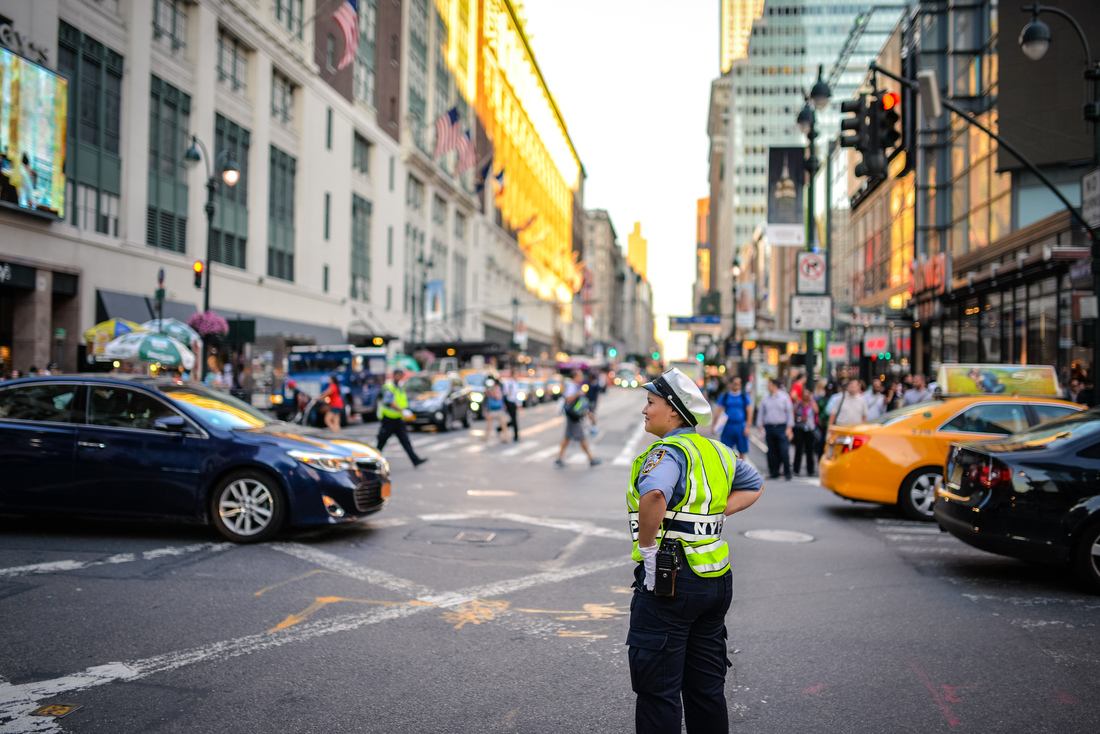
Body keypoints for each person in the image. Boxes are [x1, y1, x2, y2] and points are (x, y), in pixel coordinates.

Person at [627, 367, 764, 734]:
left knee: (659, 690)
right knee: (705, 689)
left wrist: (648, 550)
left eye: (650, 402)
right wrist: (713, 513)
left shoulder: (668, 452)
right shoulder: (717, 451)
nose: (644, 409)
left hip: (671, 581)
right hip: (715, 582)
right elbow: (754, 485)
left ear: (673, 411)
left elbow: (655, 493)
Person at [376, 369, 427, 467]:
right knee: (381, 442)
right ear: (394, 375)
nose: (401, 377)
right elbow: (389, 402)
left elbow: (401, 400)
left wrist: (405, 410)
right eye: (399, 375)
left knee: (405, 441)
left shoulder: (398, 387)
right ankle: (373, 461)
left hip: (398, 419)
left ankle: (415, 460)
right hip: (389, 419)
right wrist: (402, 410)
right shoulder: (389, 387)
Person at [556, 370, 600, 467]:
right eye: (579, 375)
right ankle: (591, 459)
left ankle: (559, 459)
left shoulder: (575, 386)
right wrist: (578, 393)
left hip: (572, 415)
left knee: (567, 438)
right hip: (573, 416)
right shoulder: (572, 386)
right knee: (581, 438)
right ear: (575, 376)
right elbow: (568, 399)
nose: (581, 377)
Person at [756, 378, 794, 481]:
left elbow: (790, 412)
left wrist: (789, 427)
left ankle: (787, 472)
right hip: (769, 427)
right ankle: (774, 472)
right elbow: (761, 412)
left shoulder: (784, 397)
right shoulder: (766, 398)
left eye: (769, 384)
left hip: (781, 427)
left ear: (774, 385)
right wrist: (760, 425)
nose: (768, 386)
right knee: (771, 451)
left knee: (784, 450)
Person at [715, 375, 753, 456]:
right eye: (735, 383)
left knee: (742, 451)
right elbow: (718, 410)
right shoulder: (725, 396)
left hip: (740, 426)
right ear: (731, 384)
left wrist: (747, 427)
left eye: (739, 384)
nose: (737, 385)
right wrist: (715, 425)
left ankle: (740, 468)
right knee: (725, 450)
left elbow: (749, 411)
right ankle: (728, 468)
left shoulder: (744, 396)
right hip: (728, 426)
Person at [792, 390, 819, 477]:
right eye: (805, 395)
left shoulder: (812, 404)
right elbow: (793, 413)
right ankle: (796, 469)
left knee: (809, 450)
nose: (806, 396)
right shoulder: (798, 404)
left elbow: (816, 411)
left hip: (810, 428)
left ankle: (810, 470)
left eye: (808, 395)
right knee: (798, 449)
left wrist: (812, 401)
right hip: (799, 428)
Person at [482, 378, 508, 444]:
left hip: (499, 409)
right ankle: (486, 437)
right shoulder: (489, 390)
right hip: (492, 410)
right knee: (489, 425)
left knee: (503, 425)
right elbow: (486, 400)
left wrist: (492, 392)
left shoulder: (498, 389)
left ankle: (505, 438)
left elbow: (498, 397)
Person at [500, 368, 521, 442]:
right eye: (516, 374)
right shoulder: (507, 383)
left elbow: (517, 395)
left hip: (513, 403)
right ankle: (515, 436)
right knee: (513, 420)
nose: (517, 376)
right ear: (512, 375)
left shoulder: (516, 383)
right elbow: (504, 394)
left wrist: (518, 404)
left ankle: (500, 428)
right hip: (508, 402)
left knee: (514, 419)